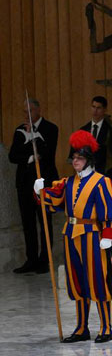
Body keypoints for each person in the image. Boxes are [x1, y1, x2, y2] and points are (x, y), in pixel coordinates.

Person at [34, 130, 112, 343]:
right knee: (78, 282)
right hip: (71, 234)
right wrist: (40, 191)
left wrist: (108, 235)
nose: (75, 161)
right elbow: (54, 201)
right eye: (73, 158)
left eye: (79, 158)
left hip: (93, 236)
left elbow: (110, 210)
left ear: (88, 160)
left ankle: (106, 328)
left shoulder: (101, 181)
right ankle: (82, 328)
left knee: (98, 280)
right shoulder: (68, 182)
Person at [7, 98, 58, 274]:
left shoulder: (50, 128)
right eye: (24, 111)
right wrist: (29, 157)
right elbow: (13, 156)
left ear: (38, 110)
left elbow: (46, 153)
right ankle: (31, 260)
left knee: (44, 222)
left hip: (44, 183)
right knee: (27, 223)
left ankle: (45, 260)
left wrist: (33, 136)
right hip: (24, 183)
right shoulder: (20, 130)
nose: (26, 115)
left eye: (30, 111)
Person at [77, 96, 112, 257]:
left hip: (105, 176)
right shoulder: (83, 130)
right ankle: (93, 247)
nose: (95, 111)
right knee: (90, 213)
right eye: (93, 107)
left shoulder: (111, 130)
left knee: (109, 213)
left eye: (99, 108)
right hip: (87, 179)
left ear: (105, 110)